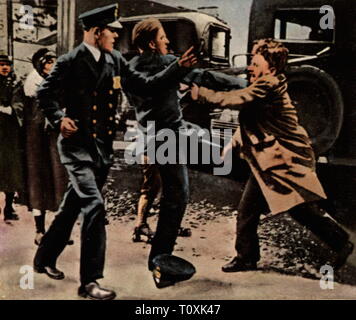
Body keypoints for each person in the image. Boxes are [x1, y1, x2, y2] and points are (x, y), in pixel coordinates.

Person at [33, 4, 196, 300]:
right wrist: (59, 119)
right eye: (113, 32)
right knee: (94, 207)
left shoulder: (114, 59)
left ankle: (43, 258)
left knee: (72, 205)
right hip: (77, 148)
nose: (117, 36)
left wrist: (178, 68)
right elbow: (44, 93)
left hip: (101, 150)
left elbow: (147, 86)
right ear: (97, 33)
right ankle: (90, 282)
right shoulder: (71, 61)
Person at [191, 38, 353, 272]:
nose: (250, 68)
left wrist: (201, 94)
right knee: (283, 209)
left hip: (283, 159)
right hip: (271, 159)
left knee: (281, 209)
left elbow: (236, 99)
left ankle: (248, 257)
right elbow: (252, 120)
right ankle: (338, 242)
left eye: (256, 64)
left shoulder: (268, 84)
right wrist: (232, 145)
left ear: (272, 68)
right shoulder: (264, 84)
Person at [127, 18, 196, 271]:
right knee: (175, 194)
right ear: (152, 43)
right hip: (163, 137)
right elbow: (153, 86)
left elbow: (158, 92)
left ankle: (159, 257)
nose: (168, 41)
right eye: (163, 37)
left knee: (173, 193)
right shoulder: (158, 65)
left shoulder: (134, 66)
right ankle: (159, 261)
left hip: (156, 136)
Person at [23, 48, 71, 246]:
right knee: (38, 181)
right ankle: (39, 230)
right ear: (41, 65)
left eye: (54, 62)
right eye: (49, 62)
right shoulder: (31, 86)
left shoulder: (59, 84)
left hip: (54, 137)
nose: (53, 65)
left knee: (60, 178)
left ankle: (58, 230)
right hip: (35, 139)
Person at [0, 54, 24, 222]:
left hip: (10, 133)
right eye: (1, 64)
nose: (4, 67)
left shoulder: (16, 84)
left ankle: (9, 207)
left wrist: (11, 110)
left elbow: (20, 104)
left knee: (10, 169)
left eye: (7, 64)